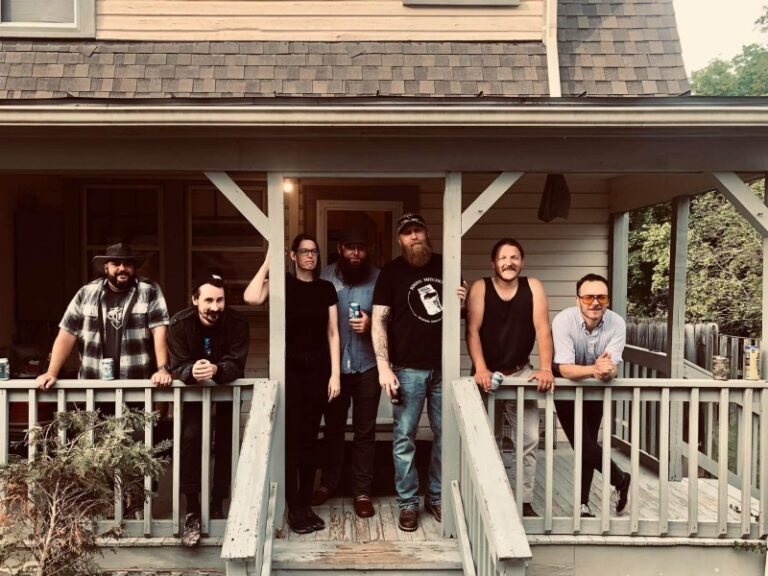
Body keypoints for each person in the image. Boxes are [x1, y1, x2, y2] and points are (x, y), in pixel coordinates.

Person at [244, 235, 341, 534]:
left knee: (311, 438)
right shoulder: (283, 284)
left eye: (314, 251)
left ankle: (305, 505)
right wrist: (268, 262)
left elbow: (333, 334)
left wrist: (335, 374)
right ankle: (294, 507)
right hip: (291, 370)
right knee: (293, 439)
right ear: (293, 255)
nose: (310, 256)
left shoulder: (326, 288)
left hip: (319, 369)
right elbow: (251, 297)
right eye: (304, 251)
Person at [465, 238, 555, 518]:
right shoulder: (480, 287)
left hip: (521, 371)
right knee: (485, 438)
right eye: (503, 257)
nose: (509, 262)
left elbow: (543, 330)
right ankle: (487, 496)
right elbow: (472, 331)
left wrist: (546, 368)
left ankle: (524, 500)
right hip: (486, 373)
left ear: (522, 262)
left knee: (528, 438)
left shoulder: (533, 287)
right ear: (493, 263)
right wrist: (480, 367)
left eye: (514, 257)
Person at [372, 213, 445, 532]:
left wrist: (461, 298)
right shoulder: (391, 272)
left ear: (426, 233)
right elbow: (379, 320)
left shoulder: (446, 264)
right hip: (406, 368)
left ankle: (438, 496)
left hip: (444, 368)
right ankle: (408, 503)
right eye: (407, 233)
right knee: (404, 437)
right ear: (399, 240)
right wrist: (384, 367)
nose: (414, 236)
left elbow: (463, 311)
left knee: (446, 435)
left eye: (418, 230)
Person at [168, 271, 249, 547]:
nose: (215, 307)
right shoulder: (179, 324)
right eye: (209, 301)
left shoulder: (237, 323)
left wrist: (216, 368)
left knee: (227, 441)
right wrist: (192, 370)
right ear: (195, 299)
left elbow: (237, 363)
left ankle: (217, 503)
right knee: (191, 439)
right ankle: (192, 507)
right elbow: (177, 365)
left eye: (220, 300)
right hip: (193, 393)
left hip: (227, 389)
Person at [35, 242, 172, 389]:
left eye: (127, 264)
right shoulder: (87, 293)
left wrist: (162, 369)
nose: (122, 268)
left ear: (134, 267)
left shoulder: (149, 291)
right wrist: (51, 372)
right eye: (116, 263)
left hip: (137, 383)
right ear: (106, 267)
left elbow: (159, 331)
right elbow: (67, 334)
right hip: (92, 383)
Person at [312, 229, 381, 519]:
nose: (355, 253)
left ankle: (362, 491)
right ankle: (329, 483)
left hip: (368, 365)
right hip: (334, 368)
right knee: (334, 429)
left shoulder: (378, 278)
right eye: (350, 247)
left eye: (361, 248)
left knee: (365, 431)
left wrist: (371, 324)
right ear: (340, 248)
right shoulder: (324, 277)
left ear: (368, 251)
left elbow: (391, 315)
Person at [552, 273, 631, 518]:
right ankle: (620, 478)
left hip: (595, 389)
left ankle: (583, 504)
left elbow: (611, 366)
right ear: (578, 300)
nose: (595, 302)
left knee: (587, 446)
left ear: (607, 300)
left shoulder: (617, 323)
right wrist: (595, 369)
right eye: (588, 297)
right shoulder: (563, 320)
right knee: (585, 445)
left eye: (601, 297)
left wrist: (606, 372)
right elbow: (565, 368)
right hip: (566, 388)